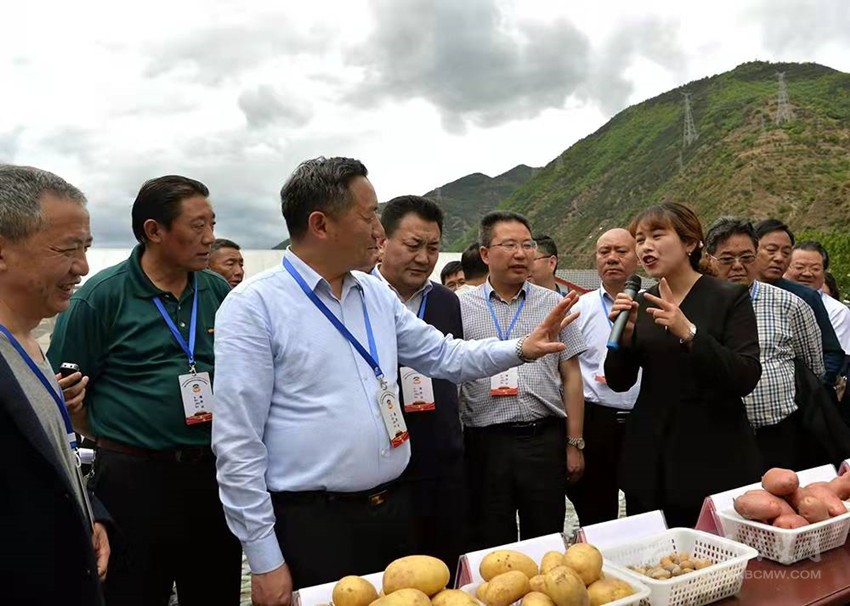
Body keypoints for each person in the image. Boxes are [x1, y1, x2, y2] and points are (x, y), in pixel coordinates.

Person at [211, 157, 578, 606]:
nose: (378, 231)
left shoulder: (373, 294)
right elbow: (237, 444)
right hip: (314, 523)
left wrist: (521, 347)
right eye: (368, 216)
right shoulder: (253, 306)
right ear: (321, 224)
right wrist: (265, 558)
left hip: (392, 510)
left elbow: (443, 355)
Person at [47, 176, 242, 606]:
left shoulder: (216, 290)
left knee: (216, 591)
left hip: (213, 475)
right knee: (132, 593)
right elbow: (62, 394)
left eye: (212, 224)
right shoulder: (100, 297)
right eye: (197, 226)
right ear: (154, 230)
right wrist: (107, 431)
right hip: (132, 481)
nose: (210, 237)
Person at [605, 202, 762, 528]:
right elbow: (619, 381)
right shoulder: (640, 301)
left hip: (713, 452)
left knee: (710, 549)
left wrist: (689, 333)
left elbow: (745, 375)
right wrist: (625, 338)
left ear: (690, 242)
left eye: (657, 235)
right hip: (652, 455)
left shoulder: (729, 297)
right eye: (640, 239)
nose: (645, 246)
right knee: (654, 549)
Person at [0, 164, 111, 606]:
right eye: (68, 249)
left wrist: (91, 515)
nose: (82, 267)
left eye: (86, 247)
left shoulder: (31, 342)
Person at [460, 211, 586, 548]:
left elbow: (571, 375)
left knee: (545, 538)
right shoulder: (460, 306)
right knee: (490, 540)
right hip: (485, 443)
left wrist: (574, 443)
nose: (520, 253)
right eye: (509, 245)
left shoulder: (553, 303)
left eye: (527, 245)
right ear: (485, 253)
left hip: (542, 439)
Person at [375, 195, 467, 578]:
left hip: (441, 456)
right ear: (382, 241)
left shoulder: (446, 302)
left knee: (446, 568)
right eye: (413, 245)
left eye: (432, 248)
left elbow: (453, 367)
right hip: (384, 463)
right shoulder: (361, 298)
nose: (424, 258)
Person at [706, 218, 824, 471]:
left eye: (747, 257)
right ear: (709, 259)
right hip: (717, 435)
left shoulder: (790, 304)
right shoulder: (698, 303)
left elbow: (813, 366)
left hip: (779, 432)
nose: (738, 266)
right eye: (727, 259)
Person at [568, 228, 641, 526]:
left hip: (642, 421)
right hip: (595, 421)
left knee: (645, 510)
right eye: (604, 252)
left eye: (621, 251)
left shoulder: (654, 304)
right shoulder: (579, 308)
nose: (612, 258)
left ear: (638, 257)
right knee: (597, 513)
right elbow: (568, 372)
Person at [754, 219, 844, 386]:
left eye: (786, 252)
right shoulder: (730, 291)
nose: (779, 258)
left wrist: (814, 388)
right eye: (771, 250)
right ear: (752, 249)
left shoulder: (804, 297)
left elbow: (831, 353)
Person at [785, 241, 850, 354]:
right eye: (800, 267)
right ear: (785, 268)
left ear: (824, 274)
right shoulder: (770, 298)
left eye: (815, 269)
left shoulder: (837, 311)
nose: (807, 273)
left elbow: (836, 356)